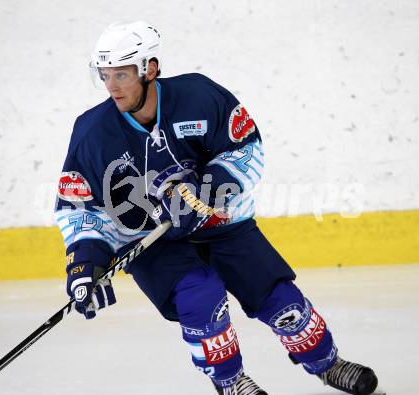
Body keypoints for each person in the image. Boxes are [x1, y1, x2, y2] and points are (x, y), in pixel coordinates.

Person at [55, 20, 380, 395]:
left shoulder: (200, 96)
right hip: (153, 241)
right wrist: (85, 258)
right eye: (104, 75)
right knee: (201, 298)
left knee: (279, 297)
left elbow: (247, 149)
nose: (111, 86)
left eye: (122, 74)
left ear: (150, 69)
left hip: (221, 223)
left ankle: (328, 363)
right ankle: (231, 382)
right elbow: (78, 206)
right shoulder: (92, 133)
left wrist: (205, 192)